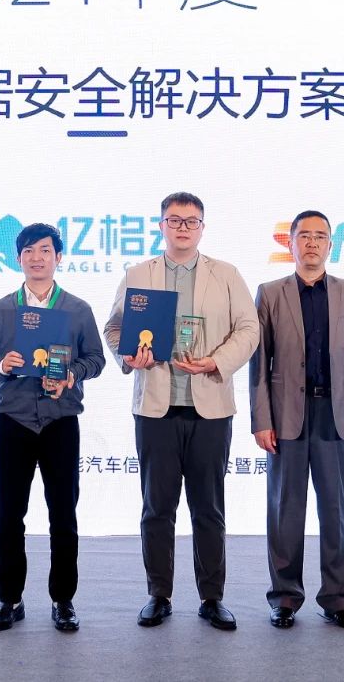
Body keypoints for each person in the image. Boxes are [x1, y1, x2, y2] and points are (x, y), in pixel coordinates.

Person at [103, 192, 259, 631]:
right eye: (175, 220)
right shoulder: (139, 274)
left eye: (192, 221)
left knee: (208, 508)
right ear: (161, 226)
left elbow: (249, 328)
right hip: (156, 408)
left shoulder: (226, 274)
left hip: (210, 407)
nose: (183, 228)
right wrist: (127, 355)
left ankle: (212, 598)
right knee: (157, 507)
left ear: (202, 227)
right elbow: (114, 327)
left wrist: (217, 362)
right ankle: (159, 594)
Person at [0, 223, 107, 633]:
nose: (37, 258)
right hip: (13, 421)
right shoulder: (0, 310)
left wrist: (73, 374)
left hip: (60, 420)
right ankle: (9, 600)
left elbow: (96, 359)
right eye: (29, 251)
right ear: (18, 258)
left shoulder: (77, 309)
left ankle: (63, 600)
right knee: (10, 516)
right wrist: (1, 366)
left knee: (63, 515)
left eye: (45, 250)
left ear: (58, 257)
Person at [249, 210, 344, 631]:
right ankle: (285, 598)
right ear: (290, 244)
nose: (311, 243)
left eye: (320, 236)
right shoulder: (270, 293)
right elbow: (259, 363)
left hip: (336, 416)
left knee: (335, 512)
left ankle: (337, 599)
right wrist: (261, 419)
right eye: (303, 235)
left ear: (330, 245)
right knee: (285, 511)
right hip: (286, 417)